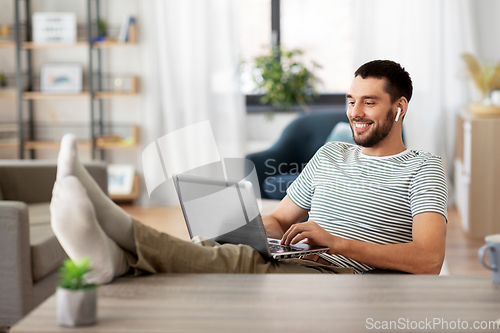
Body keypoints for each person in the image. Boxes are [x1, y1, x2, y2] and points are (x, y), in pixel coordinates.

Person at [50, 60, 447, 284]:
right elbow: (279, 218)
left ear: (399, 108)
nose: (355, 113)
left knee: (235, 263)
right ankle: (113, 255)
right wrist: (238, 225)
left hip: (334, 270)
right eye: (350, 101)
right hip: (296, 258)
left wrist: (337, 243)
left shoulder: (422, 168)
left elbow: (429, 259)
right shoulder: (330, 154)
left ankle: (113, 236)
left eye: (369, 103)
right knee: (219, 249)